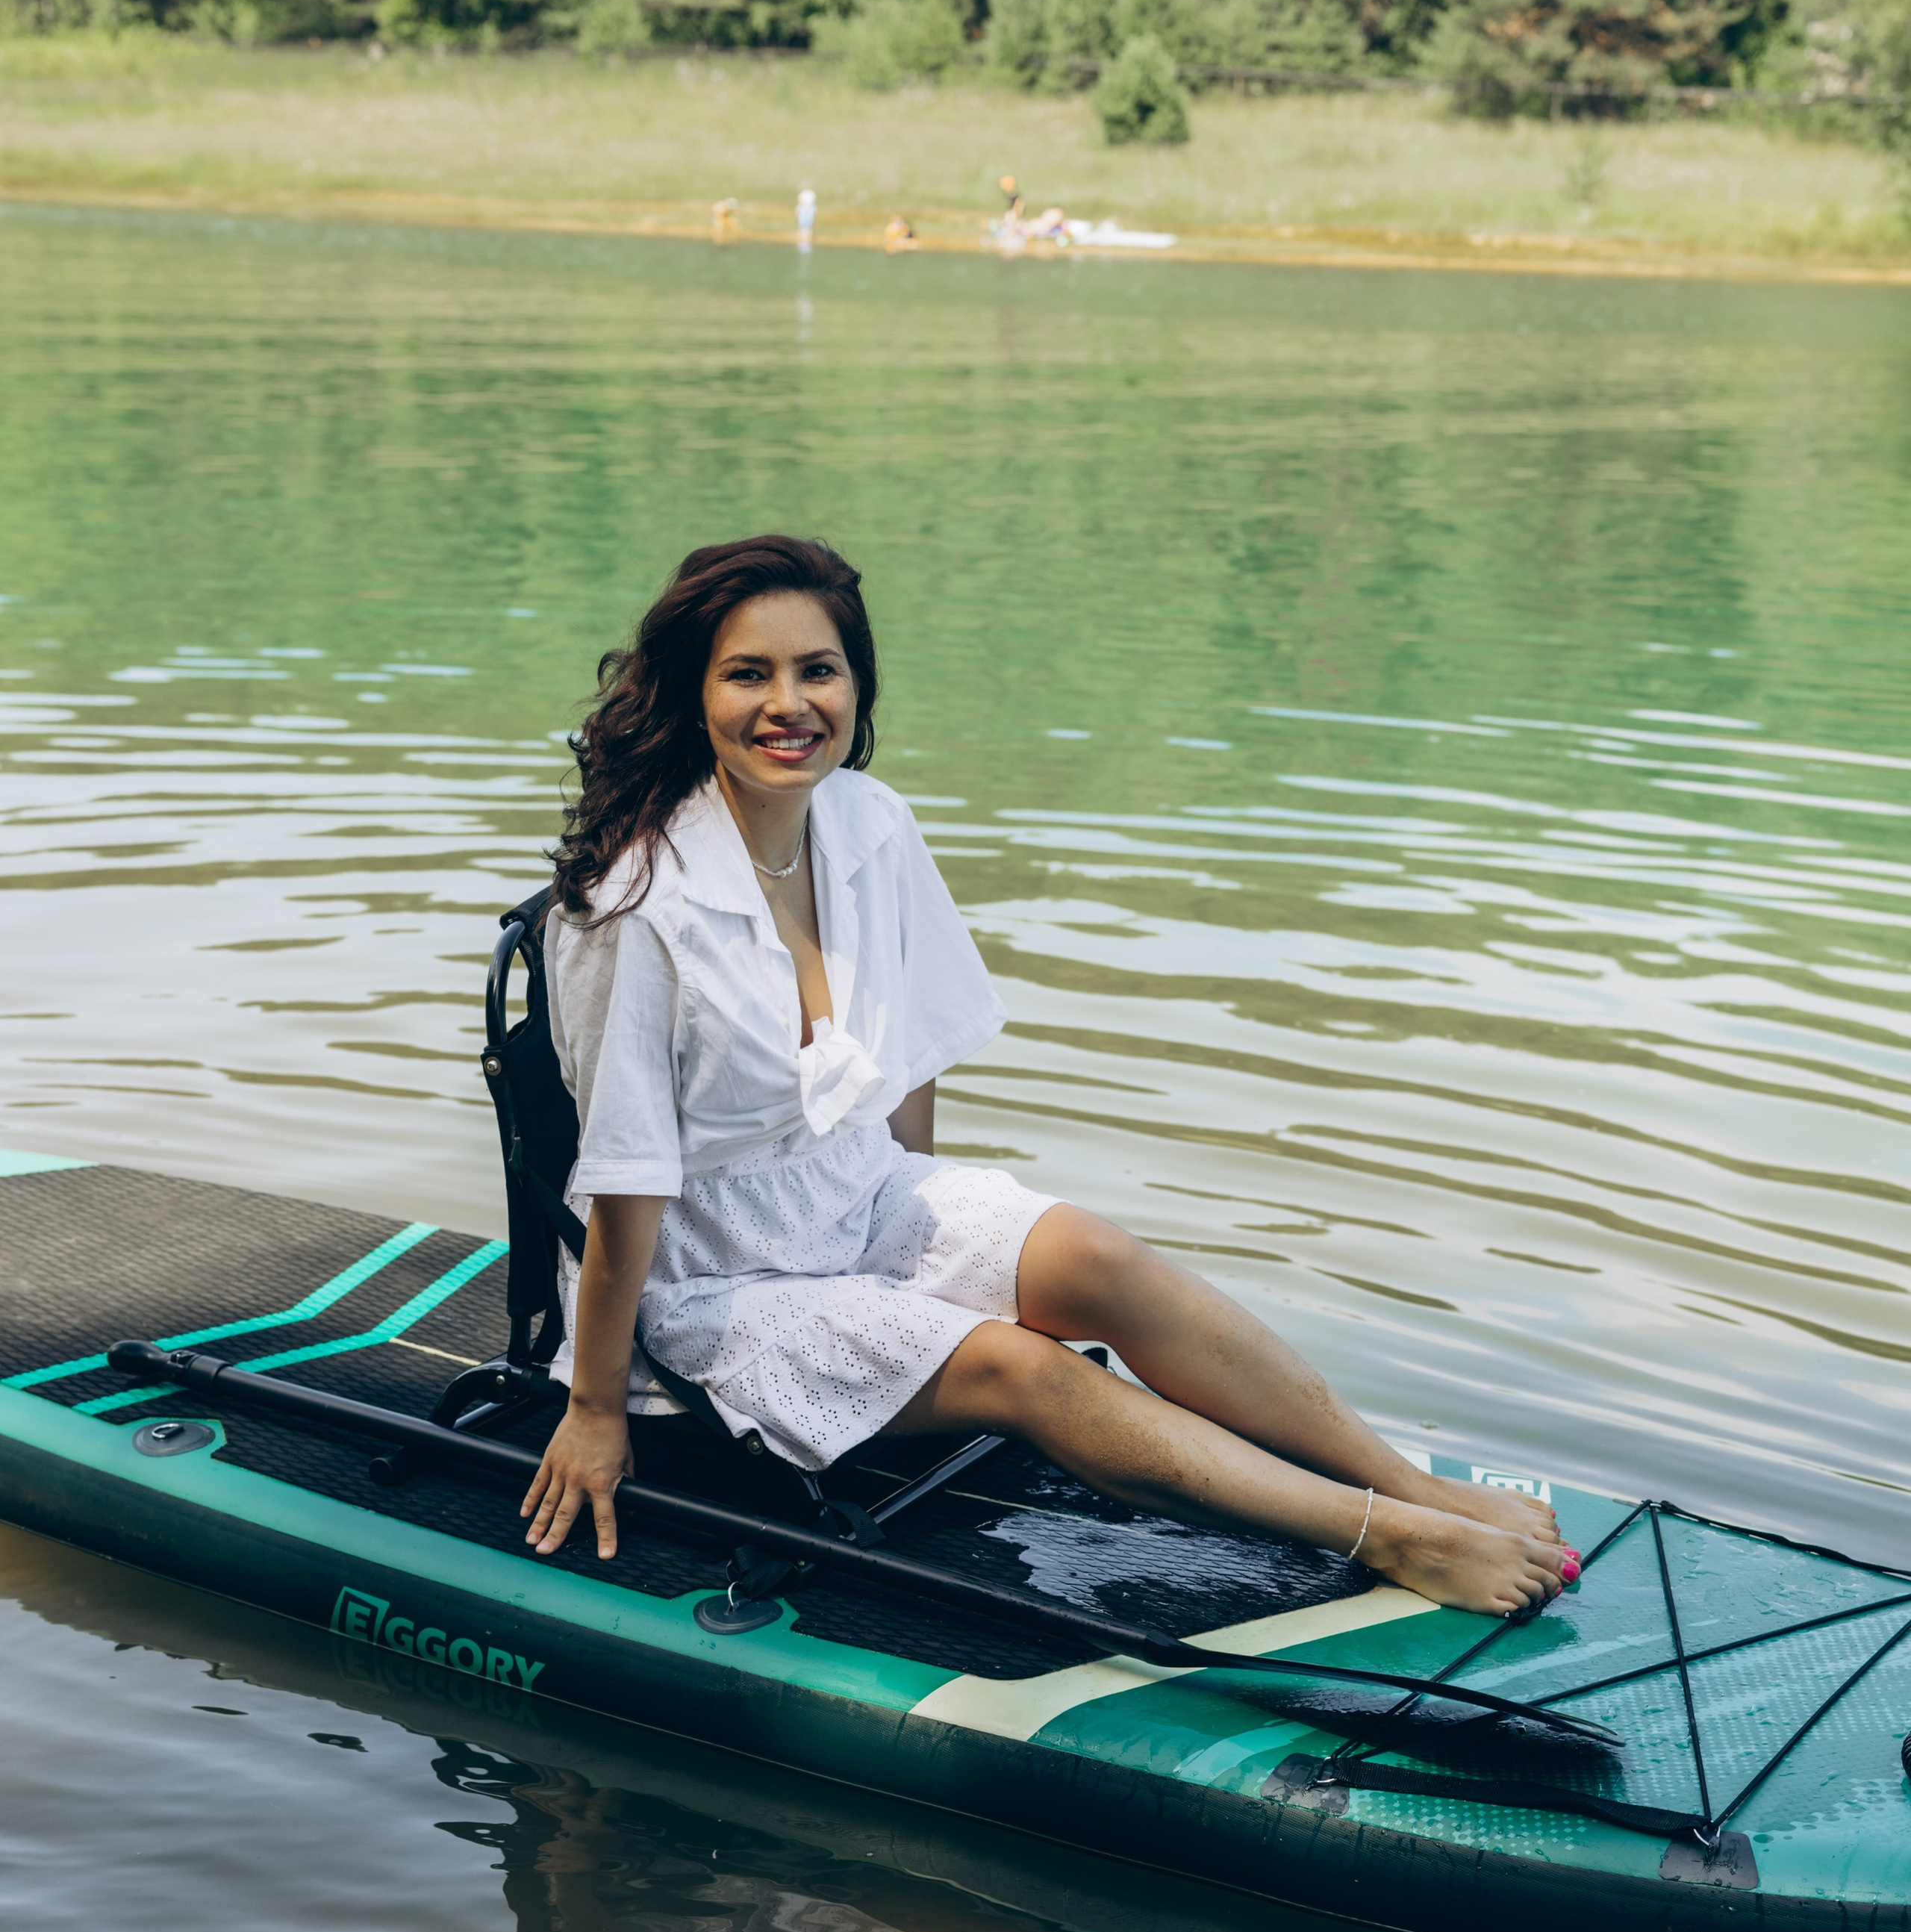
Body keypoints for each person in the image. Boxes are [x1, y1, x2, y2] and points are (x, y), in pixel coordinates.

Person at [523, 535, 1575, 1618]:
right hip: (709, 1283)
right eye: (748, 673)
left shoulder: (868, 825)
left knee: (1104, 1261)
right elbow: (628, 1175)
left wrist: (919, 1265)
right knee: (1028, 1373)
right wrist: (596, 1407)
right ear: (693, 695)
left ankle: (1408, 1482)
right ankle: (1392, 1537)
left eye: (818, 669)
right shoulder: (634, 907)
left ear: (856, 684)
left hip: (854, 1191)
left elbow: (912, 1060)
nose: (789, 705)